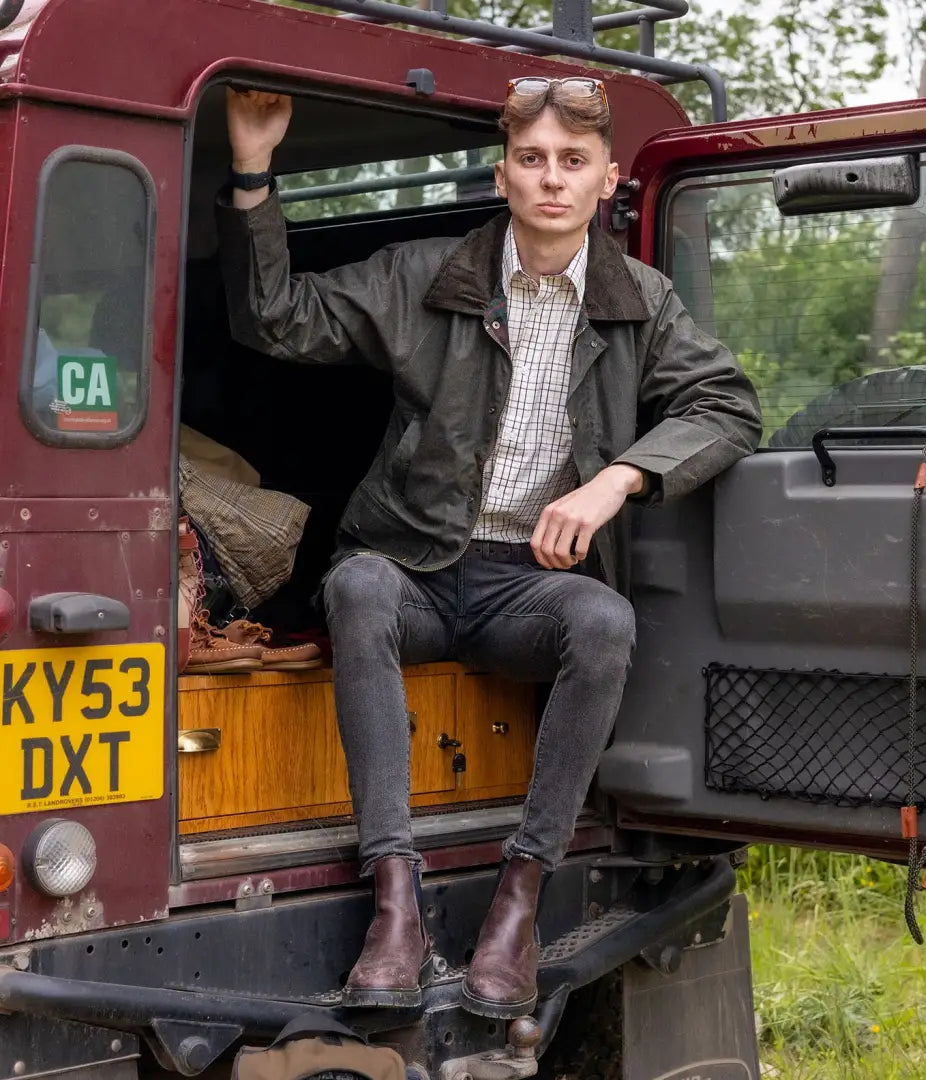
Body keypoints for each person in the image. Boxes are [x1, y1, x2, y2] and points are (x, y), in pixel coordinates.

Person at [216, 76, 761, 1019]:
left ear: (605, 181)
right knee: (359, 593)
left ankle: (519, 898)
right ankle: (396, 902)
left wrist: (613, 481)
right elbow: (277, 319)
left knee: (604, 621)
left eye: (573, 162)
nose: (552, 180)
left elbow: (731, 406)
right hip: (417, 569)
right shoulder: (424, 274)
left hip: (528, 591)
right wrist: (256, 169)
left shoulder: (642, 302)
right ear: (503, 174)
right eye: (533, 159)